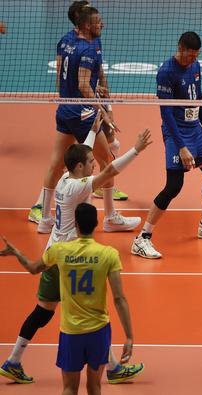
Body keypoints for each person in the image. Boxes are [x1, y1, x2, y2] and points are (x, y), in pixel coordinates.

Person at [0, 114, 148, 384]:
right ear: (80, 167)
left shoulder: (65, 181)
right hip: (69, 259)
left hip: (53, 252)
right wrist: (136, 150)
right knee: (90, 311)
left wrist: (92, 131)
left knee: (43, 312)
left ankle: (13, 360)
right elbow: (110, 171)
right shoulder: (78, 188)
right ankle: (113, 368)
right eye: (90, 162)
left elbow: (84, 156)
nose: (94, 164)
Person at [0, 202, 145, 392]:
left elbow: (33, 269)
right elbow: (119, 299)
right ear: (96, 224)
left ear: (75, 224)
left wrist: (16, 253)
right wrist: (129, 337)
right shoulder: (109, 254)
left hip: (71, 332)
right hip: (99, 330)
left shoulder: (59, 251)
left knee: (69, 388)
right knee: (94, 388)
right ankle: (114, 369)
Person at [28, 5, 133, 231]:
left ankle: (45, 220)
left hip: (65, 108)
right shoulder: (87, 48)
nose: (102, 24)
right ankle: (111, 217)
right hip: (83, 112)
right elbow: (84, 84)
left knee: (56, 163)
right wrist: (101, 110)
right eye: (98, 21)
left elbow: (62, 77)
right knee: (107, 161)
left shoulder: (66, 41)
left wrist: (94, 100)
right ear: (85, 24)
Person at [131, 31, 202, 259]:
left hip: (195, 130)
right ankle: (142, 239)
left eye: (196, 56)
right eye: (189, 55)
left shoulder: (195, 67)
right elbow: (165, 113)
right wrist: (181, 147)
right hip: (176, 133)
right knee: (174, 186)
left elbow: (199, 100)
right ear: (180, 48)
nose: (192, 60)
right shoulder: (166, 72)